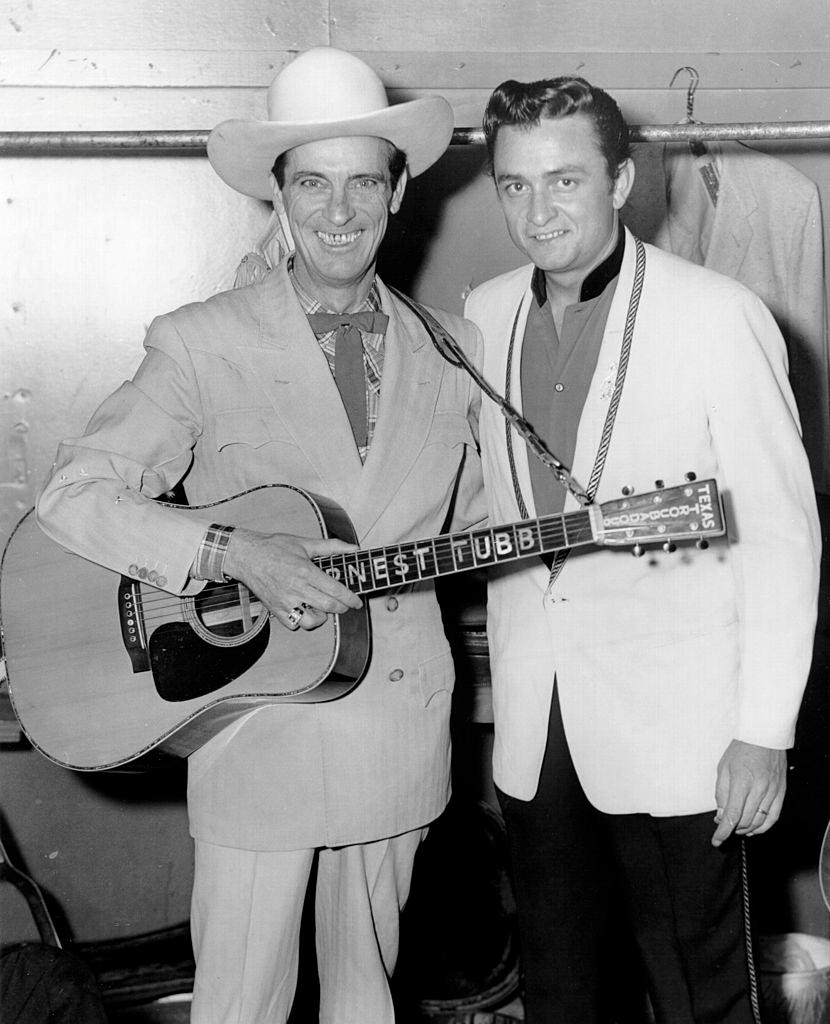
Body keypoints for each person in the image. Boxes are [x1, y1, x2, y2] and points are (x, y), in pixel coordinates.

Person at [36, 46, 484, 1024]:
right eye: (311, 182)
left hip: (394, 723)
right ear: (277, 197)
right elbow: (76, 493)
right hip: (253, 724)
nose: (338, 209)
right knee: (239, 1004)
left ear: (398, 188)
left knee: (367, 1001)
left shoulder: (459, 351)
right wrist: (228, 552)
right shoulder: (201, 340)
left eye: (363, 179)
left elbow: (483, 518)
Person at [463, 76, 820, 1024]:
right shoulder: (484, 312)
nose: (538, 212)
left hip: (686, 736)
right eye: (513, 186)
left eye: (565, 182)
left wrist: (765, 732)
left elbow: (783, 534)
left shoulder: (717, 314)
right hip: (540, 734)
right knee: (564, 997)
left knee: (704, 998)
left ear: (622, 181)